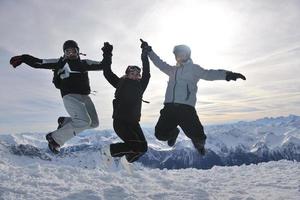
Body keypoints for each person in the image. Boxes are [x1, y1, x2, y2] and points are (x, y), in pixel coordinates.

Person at [140, 40, 246, 155]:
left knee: (198, 135)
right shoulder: (172, 70)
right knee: (160, 134)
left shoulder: (194, 69)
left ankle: (200, 146)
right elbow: (159, 63)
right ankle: (174, 133)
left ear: (188, 55)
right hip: (169, 108)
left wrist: (228, 75)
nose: (180, 56)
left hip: (186, 109)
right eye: (177, 55)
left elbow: (209, 74)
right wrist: (149, 51)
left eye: (182, 54)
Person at [10, 40, 112, 154]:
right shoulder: (59, 62)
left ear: (78, 52)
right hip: (69, 95)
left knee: (93, 123)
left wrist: (107, 53)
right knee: (83, 122)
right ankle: (54, 138)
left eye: (73, 51)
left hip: (85, 96)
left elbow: (104, 65)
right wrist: (24, 58)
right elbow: (39, 63)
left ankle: (64, 122)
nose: (71, 54)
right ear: (64, 53)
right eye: (68, 52)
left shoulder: (84, 63)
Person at [101, 39, 150, 163]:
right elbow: (107, 72)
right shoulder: (120, 84)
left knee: (143, 148)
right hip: (120, 122)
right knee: (135, 146)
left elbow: (147, 74)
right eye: (132, 73)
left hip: (134, 123)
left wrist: (144, 54)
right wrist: (107, 53)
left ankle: (128, 159)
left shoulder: (140, 86)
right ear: (127, 74)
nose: (135, 75)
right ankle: (108, 151)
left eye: (137, 73)